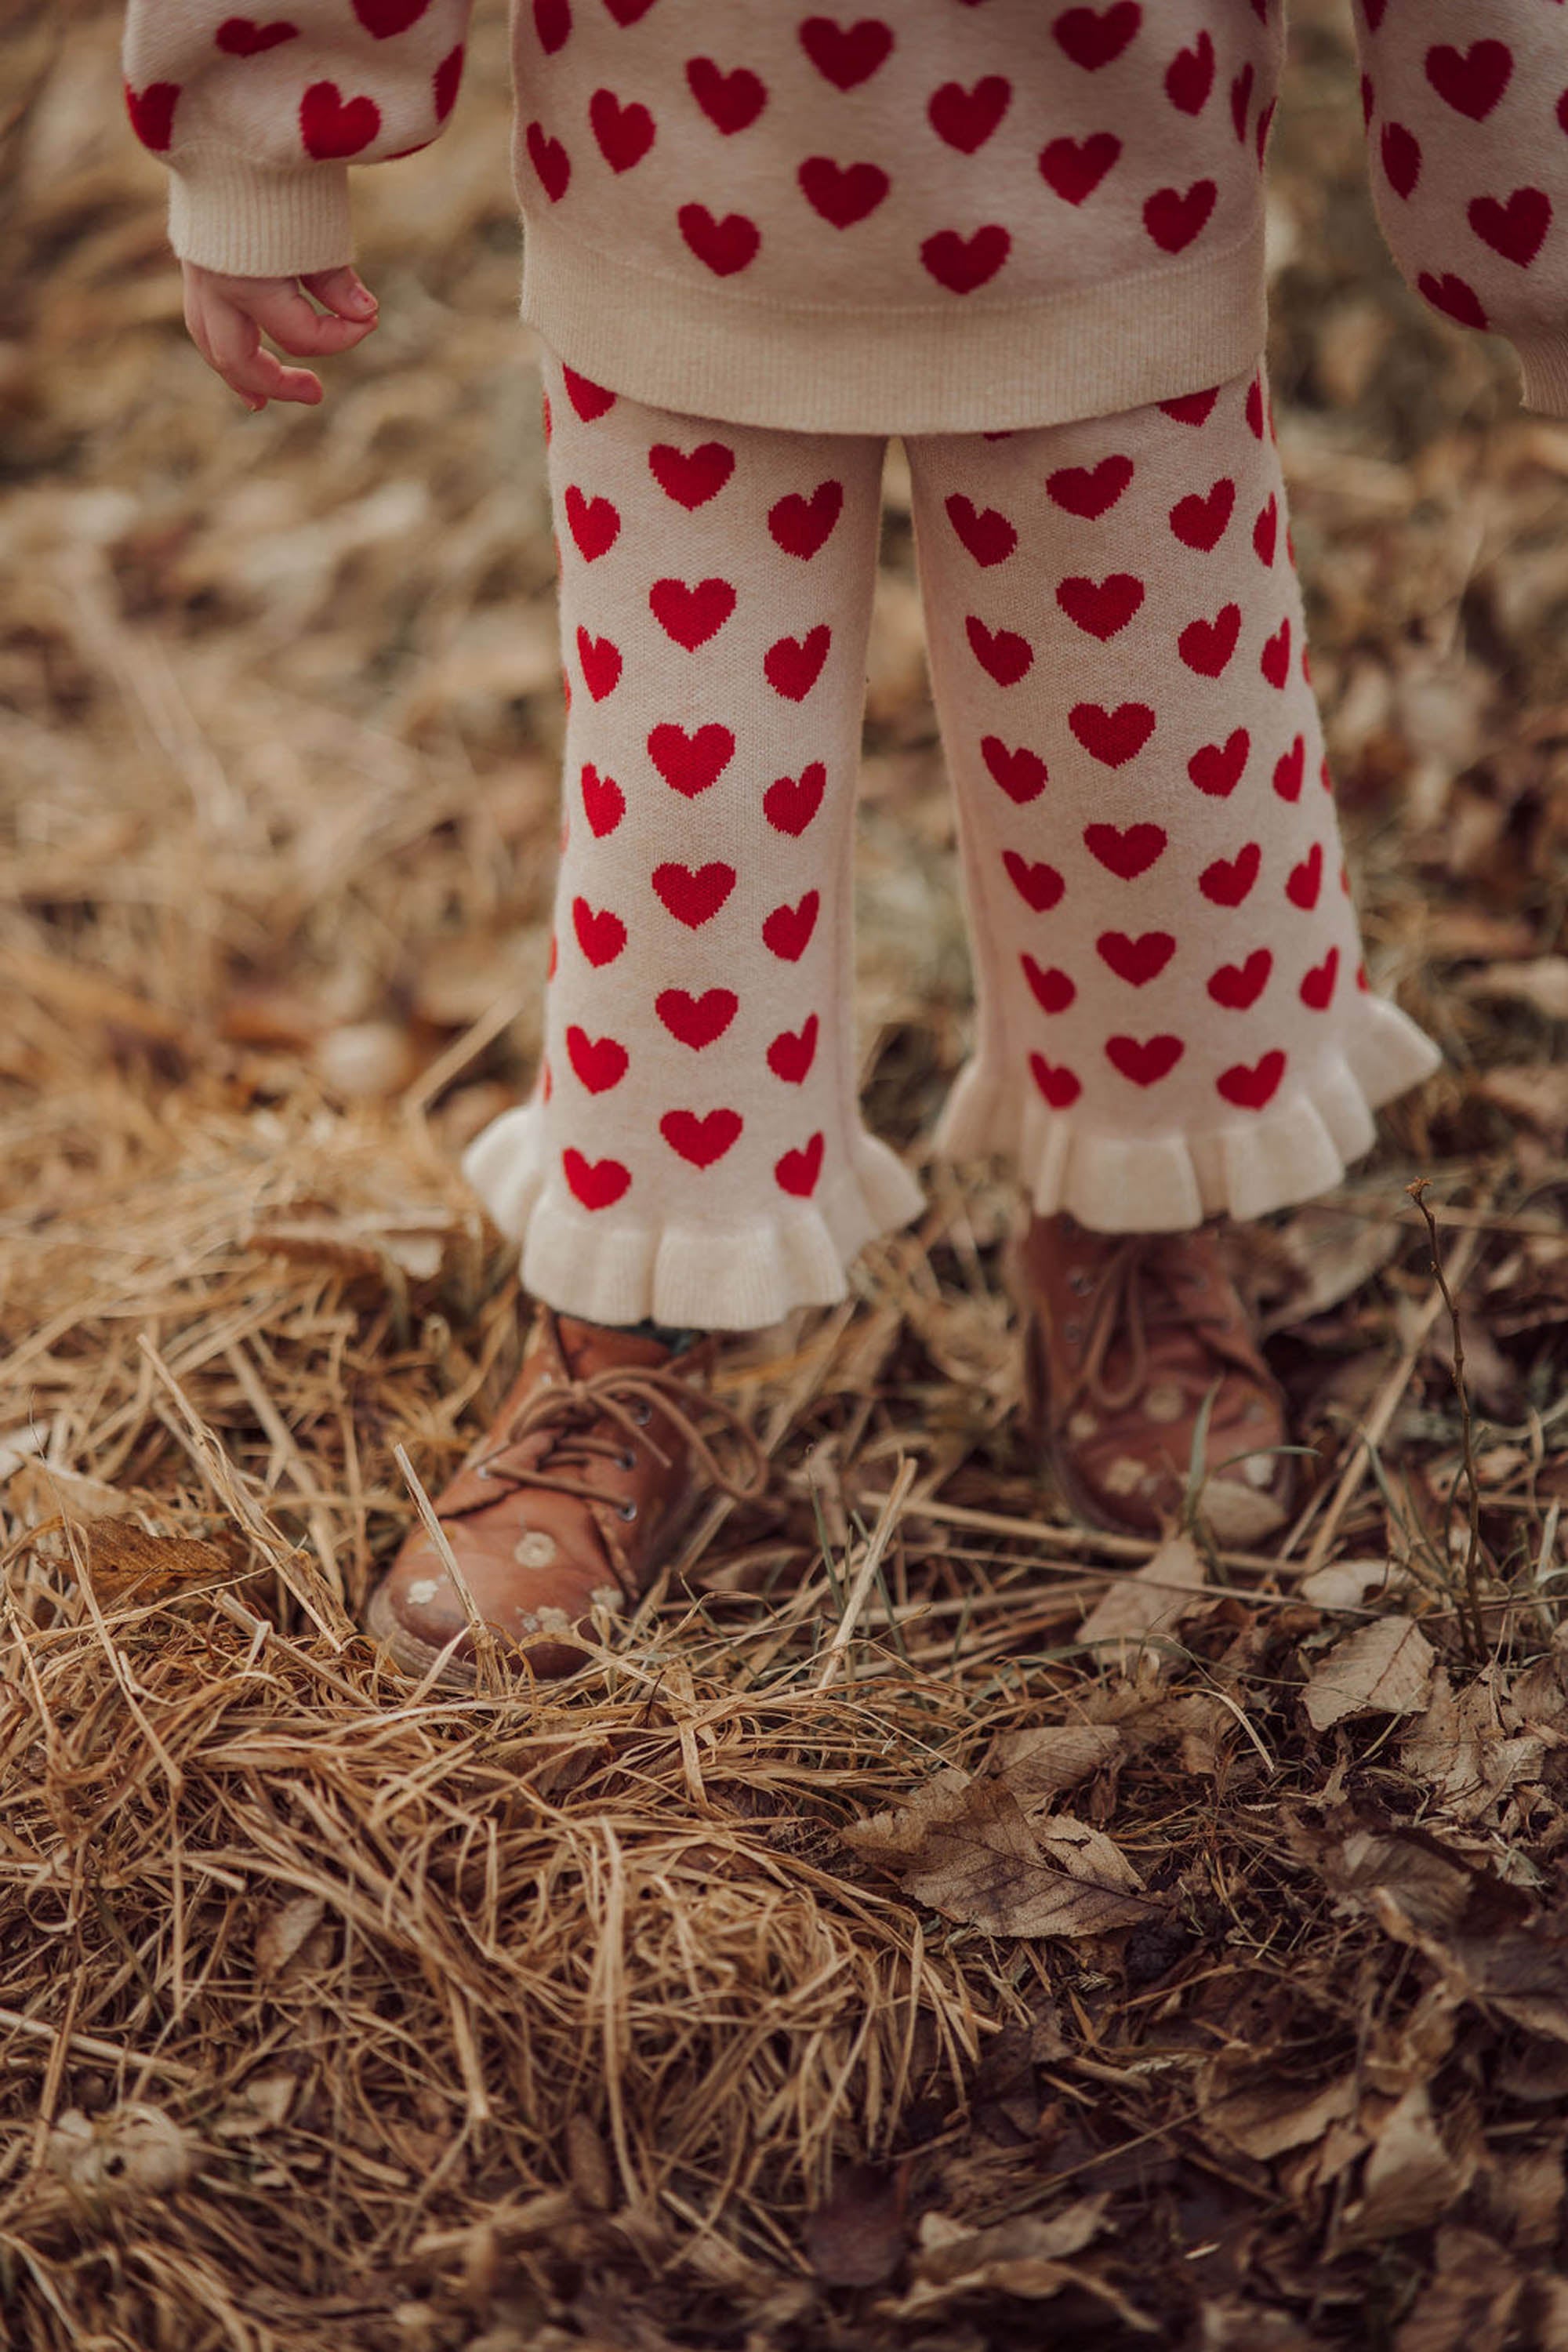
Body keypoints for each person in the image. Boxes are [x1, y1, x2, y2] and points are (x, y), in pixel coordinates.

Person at [122, 0, 1566, 1682]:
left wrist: (1527, 204)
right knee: (684, 833)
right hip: (673, 183)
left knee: (1152, 792)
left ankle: (1123, 1213)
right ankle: (629, 1324)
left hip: (1114, 189)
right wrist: (261, 133)